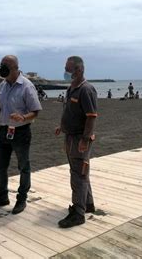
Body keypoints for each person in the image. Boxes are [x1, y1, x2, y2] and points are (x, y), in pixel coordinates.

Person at [0, 55, 42, 215]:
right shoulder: (3, 84)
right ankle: (2, 197)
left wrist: (23, 117)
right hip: (3, 130)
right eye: (1, 65)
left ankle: (21, 199)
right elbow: (3, 108)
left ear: (15, 68)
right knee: (0, 166)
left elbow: (35, 111)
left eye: (6, 66)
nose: (2, 68)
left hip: (21, 132)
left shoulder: (27, 86)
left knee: (23, 166)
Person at [55, 56, 97, 228]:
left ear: (78, 70)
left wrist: (85, 139)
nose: (65, 72)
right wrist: (62, 126)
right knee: (80, 171)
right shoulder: (71, 88)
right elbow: (71, 112)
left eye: (68, 69)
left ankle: (78, 213)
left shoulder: (86, 90)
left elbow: (91, 117)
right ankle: (88, 204)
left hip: (80, 138)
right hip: (70, 136)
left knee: (78, 175)